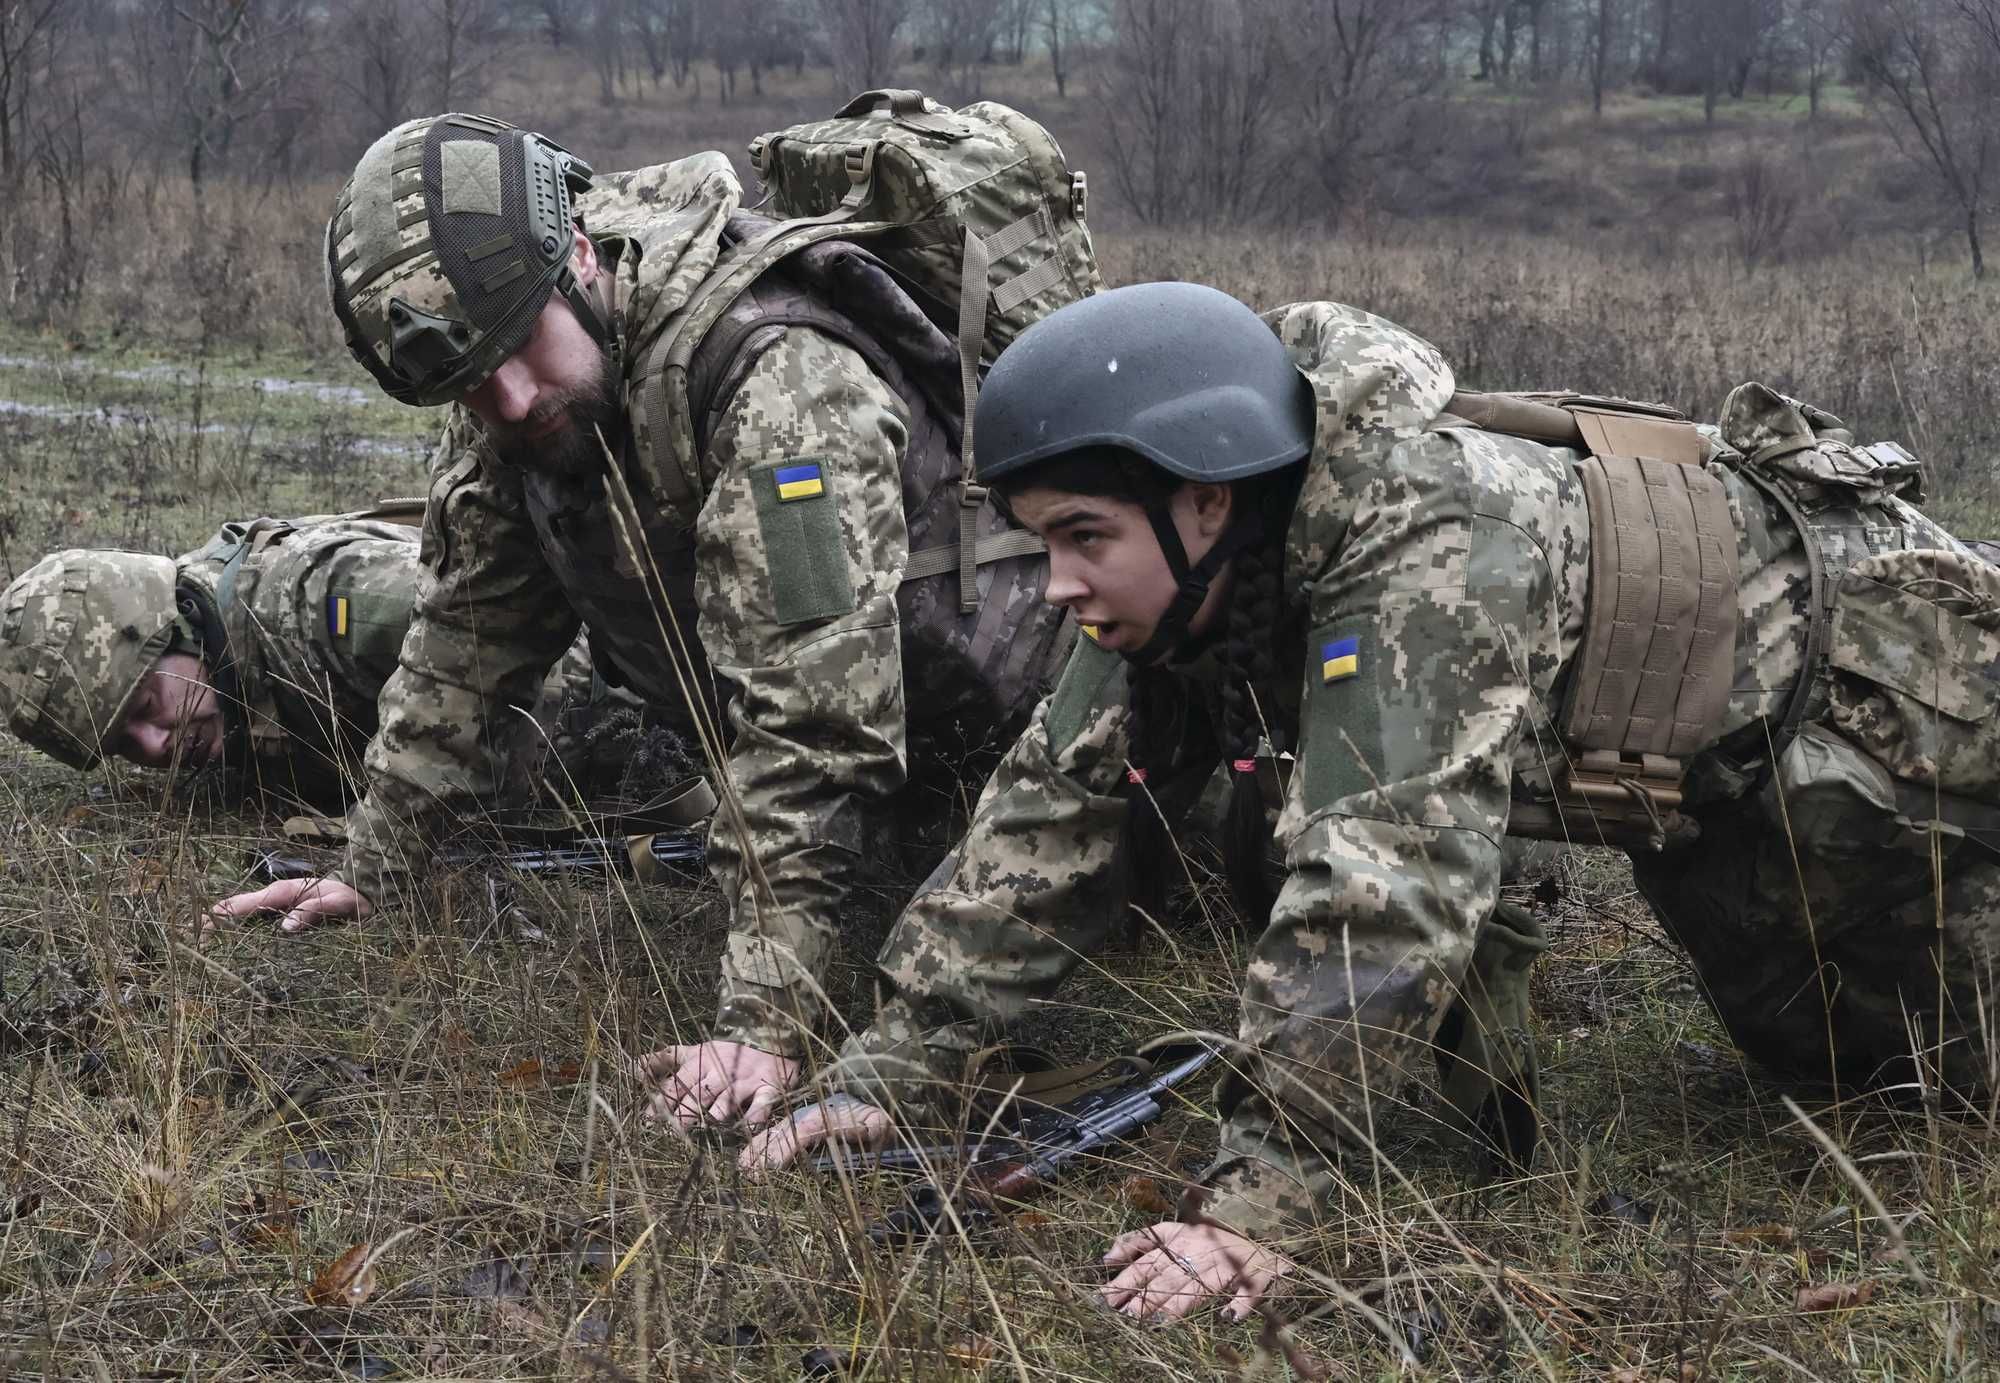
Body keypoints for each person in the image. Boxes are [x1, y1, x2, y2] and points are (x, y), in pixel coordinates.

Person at [742, 282, 2000, 1323]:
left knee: (1955, 1085)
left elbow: (1383, 889)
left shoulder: (1423, 548)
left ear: (1204, 499)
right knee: (1841, 1075)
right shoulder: (1186, 568)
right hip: (1712, 797)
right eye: (1041, 541)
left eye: (1081, 536)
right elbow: (1046, 815)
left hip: (1896, 730)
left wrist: (1255, 1211)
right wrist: (897, 1069)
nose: (1058, 584)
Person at [213, 114, 1073, 1112]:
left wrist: (763, 1024)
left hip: (1048, 754)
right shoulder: (515, 393)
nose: (512, 397)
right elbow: (465, 644)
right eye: (467, 385)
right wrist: (377, 862)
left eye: (520, 348)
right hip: (909, 780)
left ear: (578, 252)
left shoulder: (781, 388)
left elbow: (813, 724)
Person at [1, 506, 617, 823]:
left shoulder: (324, 607)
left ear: (174, 628)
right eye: (121, 743)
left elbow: (536, 637)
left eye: (144, 707)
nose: (155, 745)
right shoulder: (226, 676)